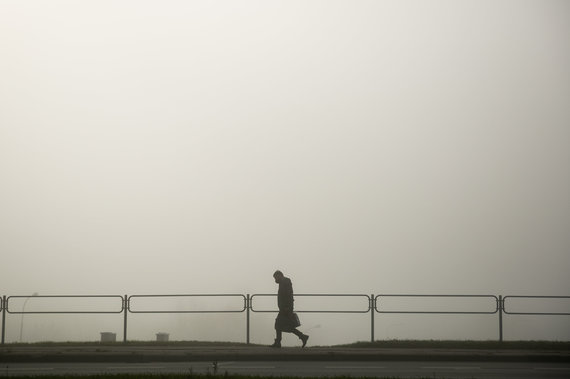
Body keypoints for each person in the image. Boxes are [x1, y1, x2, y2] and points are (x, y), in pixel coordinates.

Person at [271, 270, 309, 348]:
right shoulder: (283, 282)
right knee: (284, 326)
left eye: (275, 277)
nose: (275, 279)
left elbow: (288, 295)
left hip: (286, 308)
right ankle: (302, 337)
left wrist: (287, 307)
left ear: (279, 275)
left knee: (279, 325)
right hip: (284, 308)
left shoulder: (285, 281)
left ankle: (278, 342)